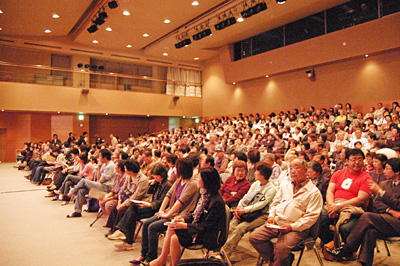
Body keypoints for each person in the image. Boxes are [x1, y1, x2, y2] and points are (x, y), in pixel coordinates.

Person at [249, 158, 323, 266]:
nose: (292, 171)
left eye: (296, 168)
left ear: (306, 170)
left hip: (296, 228)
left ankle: (280, 260)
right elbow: (274, 203)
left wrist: (292, 227)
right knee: (254, 237)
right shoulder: (286, 186)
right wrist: (271, 216)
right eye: (291, 168)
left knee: (281, 247)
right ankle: (280, 260)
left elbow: (311, 217)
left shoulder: (313, 192)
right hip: (277, 223)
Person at [327, 158, 400, 266]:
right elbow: (376, 203)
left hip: (397, 224)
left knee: (367, 216)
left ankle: (347, 247)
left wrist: (381, 192)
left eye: (388, 169)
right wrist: (390, 210)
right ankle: (364, 263)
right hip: (385, 219)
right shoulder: (385, 184)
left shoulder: (382, 188)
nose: (384, 171)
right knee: (370, 231)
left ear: (397, 171)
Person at [148, 167, 226, 266]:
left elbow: (206, 227)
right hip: (199, 228)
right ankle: (170, 262)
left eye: (199, 177)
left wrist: (184, 225)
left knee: (174, 235)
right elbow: (195, 215)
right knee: (172, 228)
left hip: (210, 236)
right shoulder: (204, 194)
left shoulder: (216, 202)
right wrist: (183, 219)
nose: (197, 179)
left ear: (206, 181)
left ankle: (165, 261)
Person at [130, 157, 199, 265]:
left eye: (176, 167)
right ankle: (144, 254)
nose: (174, 169)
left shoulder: (192, 183)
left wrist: (167, 214)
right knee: (146, 223)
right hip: (170, 212)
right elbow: (169, 195)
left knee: (152, 227)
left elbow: (180, 202)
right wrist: (162, 211)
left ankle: (151, 257)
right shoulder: (179, 180)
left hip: (180, 215)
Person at [319, 149, 372, 248]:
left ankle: (348, 250)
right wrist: (331, 205)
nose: (357, 162)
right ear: (347, 161)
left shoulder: (366, 178)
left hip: (354, 209)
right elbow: (330, 191)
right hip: (334, 204)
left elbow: (360, 199)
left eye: (360, 159)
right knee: (318, 219)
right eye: (353, 159)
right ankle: (332, 243)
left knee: (345, 228)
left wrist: (338, 206)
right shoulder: (338, 173)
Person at [223, 162, 276, 259]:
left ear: (263, 175)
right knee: (231, 227)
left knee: (240, 229)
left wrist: (244, 211)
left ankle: (224, 255)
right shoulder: (256, 184)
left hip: (260, 215)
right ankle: (219, 250)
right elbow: (245, 197)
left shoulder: (271, 189)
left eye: (257, 171)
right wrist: (239, 208)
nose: (254, 173)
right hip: (245, 212)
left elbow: (260, 205)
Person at [114, 163, 172, 250]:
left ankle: (123, 233)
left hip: (156, 209)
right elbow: (150, 192)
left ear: (162, 175)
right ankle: (127, 239)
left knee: (132, 211)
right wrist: (153, 184)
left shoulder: (167, 185)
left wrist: (149, 204)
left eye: (156, 177)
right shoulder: (158, 183)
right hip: (152, 206)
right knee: (132, 211)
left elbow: (162, 202)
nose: (155, 178)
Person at [105, 159, 150, 237]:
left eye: (125, 168)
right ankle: (112, 228)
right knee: (114, 207)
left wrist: (123, 205)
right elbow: (122, 189)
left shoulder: (143, 180)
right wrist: (119, 201)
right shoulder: (128, 176)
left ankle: (119, 230)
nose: (124, 170)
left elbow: (136, 196)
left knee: (122, 210)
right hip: (125, 198)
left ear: (131, 170)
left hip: (136, 201)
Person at [66, 149, 116, 218]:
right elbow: (99, 178)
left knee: (83, 181)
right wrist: (99, 167)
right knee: (81, 191)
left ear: (105, 157)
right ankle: (77, 211)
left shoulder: (110, 166)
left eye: (100, 156)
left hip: (107, 187)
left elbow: (101, 180)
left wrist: (93, 184)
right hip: (102, 185)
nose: (98, 158)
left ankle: (72, 192)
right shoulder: (104, 165)